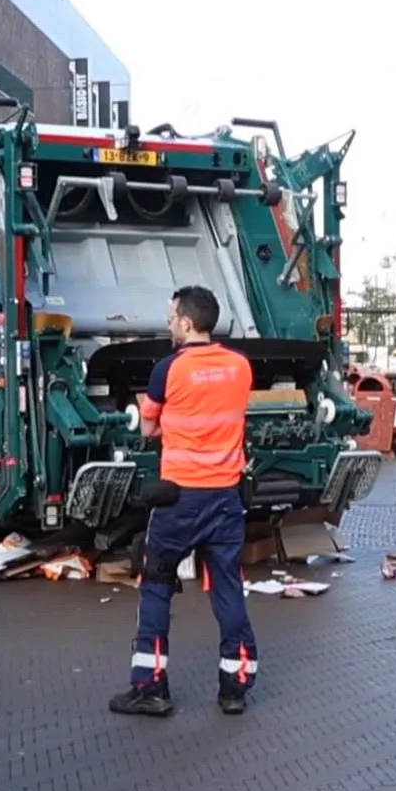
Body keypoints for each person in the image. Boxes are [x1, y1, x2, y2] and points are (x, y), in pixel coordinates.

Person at [110, 285, 260, 717]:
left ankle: (151, 689)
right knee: (228, 588)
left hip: (178, 501)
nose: (169, 322)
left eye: (172, 316)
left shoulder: (167, 371)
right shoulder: (240, 367)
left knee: (156, 584)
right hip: (226, 499)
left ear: (187, 323)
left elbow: (148, 429)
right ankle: (235, 687)